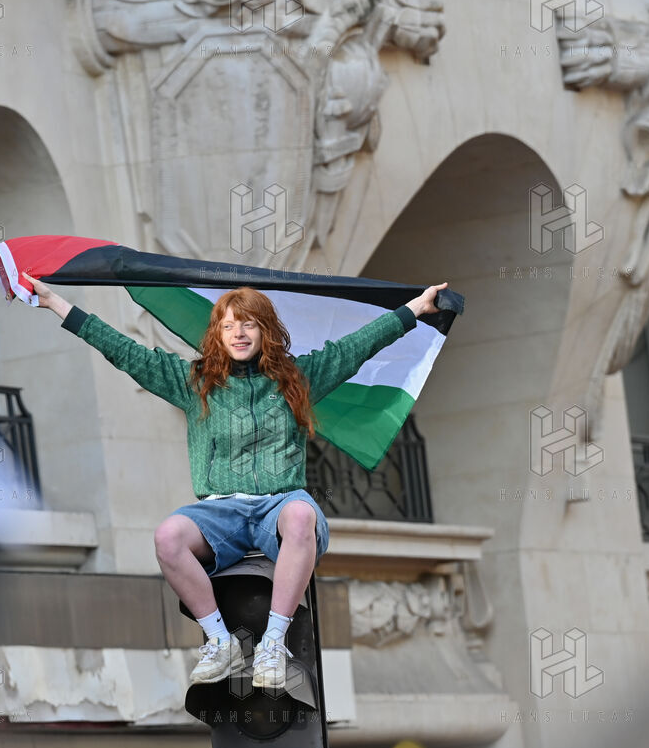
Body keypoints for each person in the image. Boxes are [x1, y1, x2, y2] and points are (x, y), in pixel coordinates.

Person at [23, 271, 448, 690]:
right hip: (219, 511)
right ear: (217, 334)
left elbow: (359, 345)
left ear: (265, 330)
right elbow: (123, 351)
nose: (238, 334)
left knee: (301, 516)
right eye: (228, 326)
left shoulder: (298, 378)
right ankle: (219, 641)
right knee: (168, 536)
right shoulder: (194, 383)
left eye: (248, 324)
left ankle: (273, 644)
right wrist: (57, 303)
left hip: (279, 504)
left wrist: (415, 308)